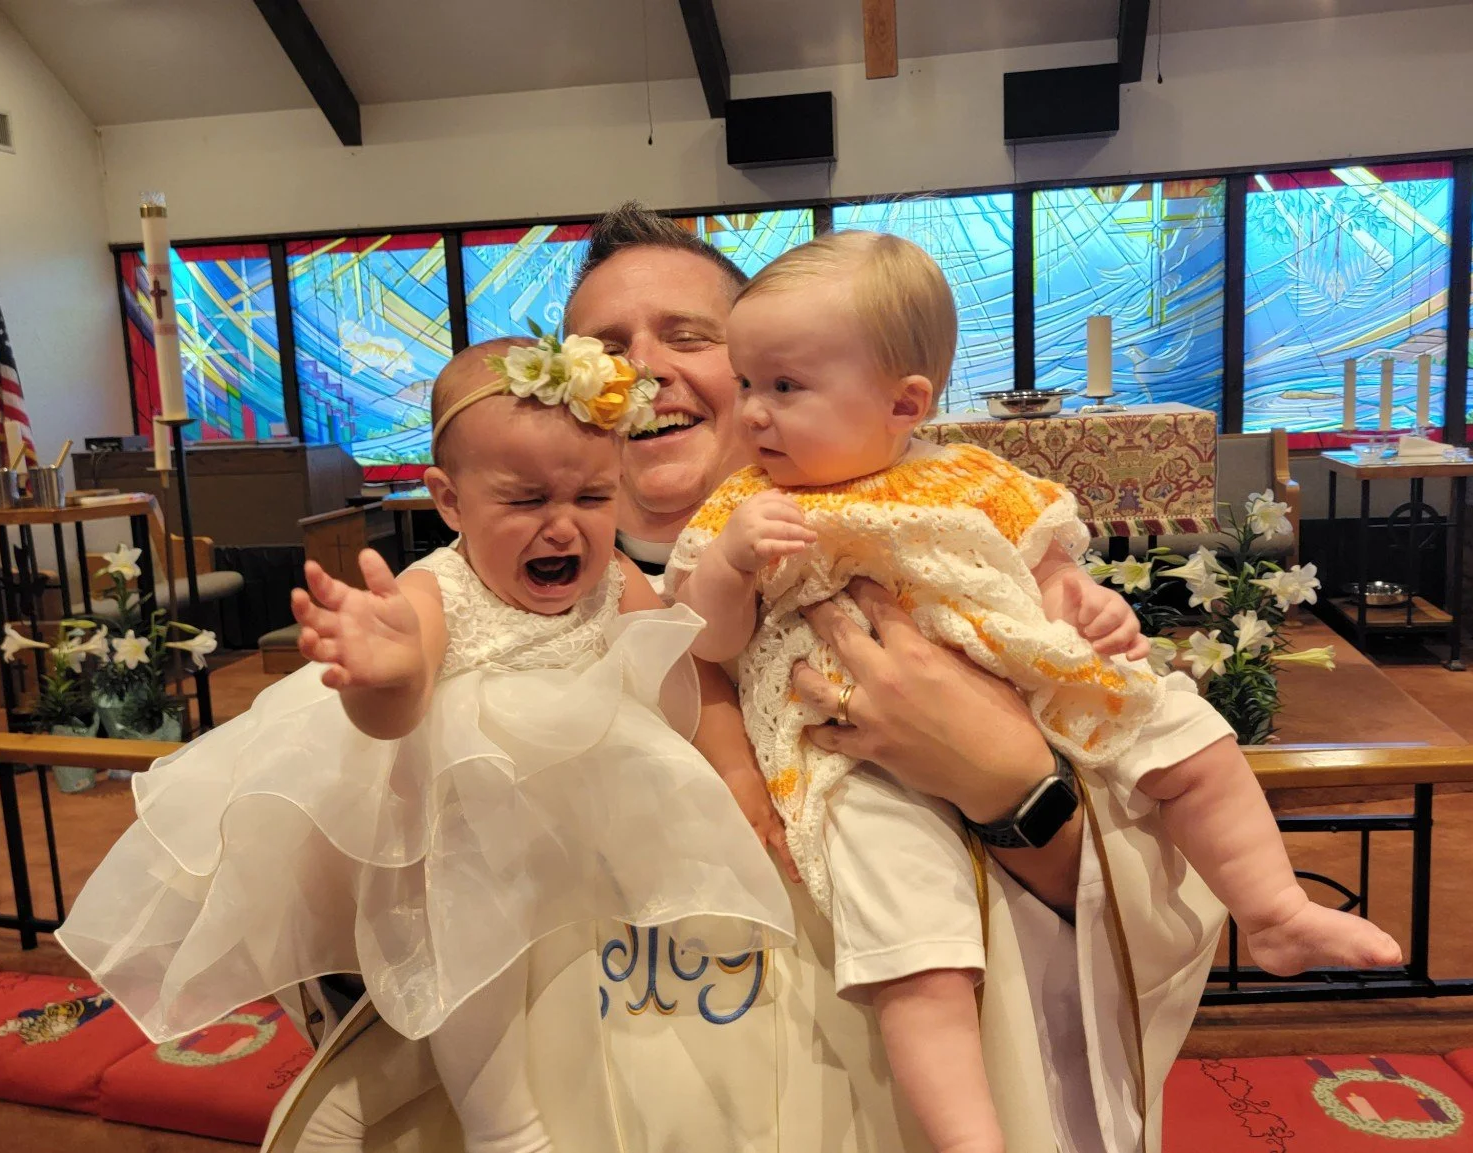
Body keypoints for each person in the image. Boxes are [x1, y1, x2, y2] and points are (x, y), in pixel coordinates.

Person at [262, 202, 1222, 1153]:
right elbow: (356, 935)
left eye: (690, 336)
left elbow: (1148, 884)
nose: (644, 366)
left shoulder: (950, 560)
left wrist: (1005, 783)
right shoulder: (454, 612)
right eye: (605, 346)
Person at [669, 231, 1402, 1153]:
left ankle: (1275, 910)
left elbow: (1050, 566)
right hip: (853, 749)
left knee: (1189, 734)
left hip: (1028, 679)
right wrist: (734, 562)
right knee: (915, 948)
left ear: (905, 403)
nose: (753, 415)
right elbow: (709, 638)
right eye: (747, 385)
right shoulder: (743, 506)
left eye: (783, 387)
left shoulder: (972, 473)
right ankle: (971, 1136)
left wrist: (1087, 604)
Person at [58, 338, 793, 1153]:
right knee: (468, 956)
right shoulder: (433, 590)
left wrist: (733, 771)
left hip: (582, 825)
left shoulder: (617, 578)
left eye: (593, 494)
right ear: (448, 500)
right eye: (524, 499)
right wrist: (389, 671)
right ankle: (504, 1128)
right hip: (464, 829)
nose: (565, 524)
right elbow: (396, 717)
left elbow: (680, 672)